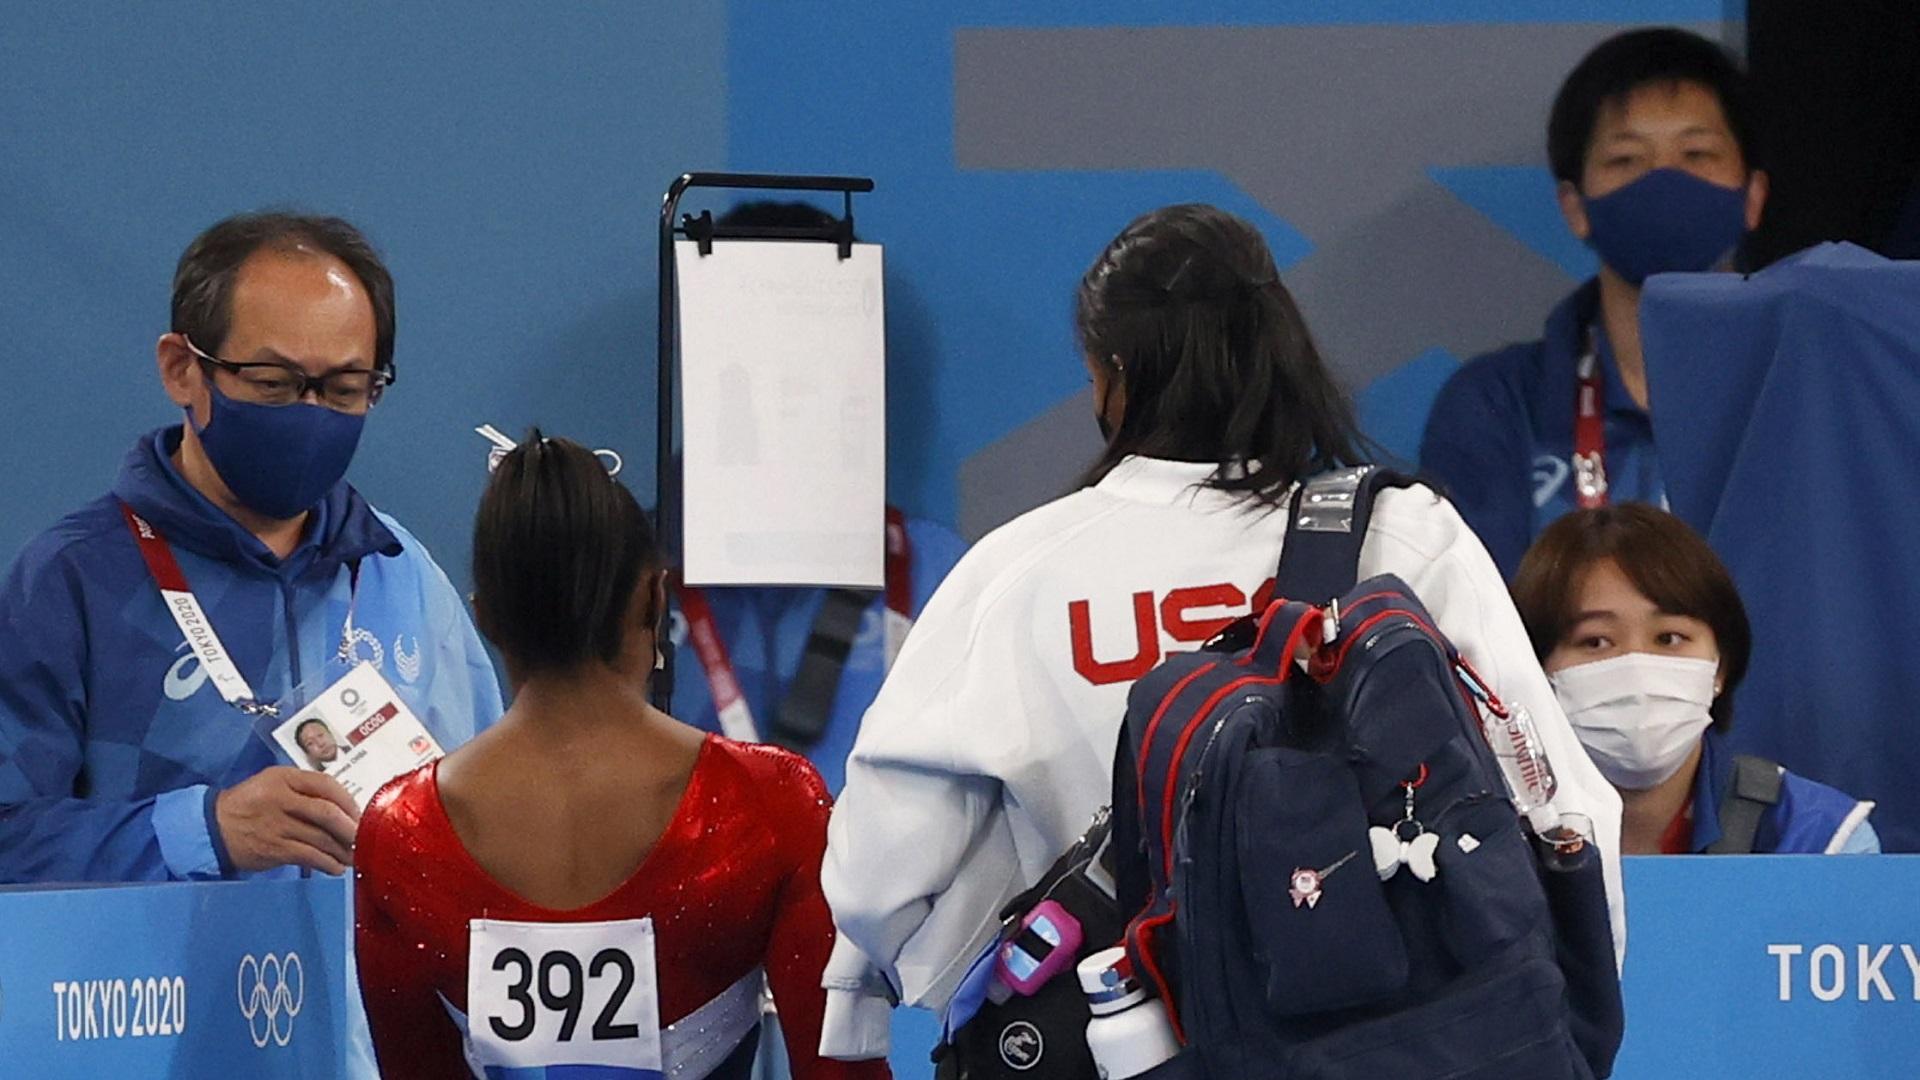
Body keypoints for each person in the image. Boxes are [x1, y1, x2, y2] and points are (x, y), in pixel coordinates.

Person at [819, 204, 1623, 1028]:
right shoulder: (1405, 537)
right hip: (1390, 1044)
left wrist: (966, 965)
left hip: (1111, 1037)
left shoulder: (1015, 575)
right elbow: (1561, 806)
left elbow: (876, 877)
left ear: (1114, 374)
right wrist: (1573, 1029)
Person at [355, 433, 889, 1080]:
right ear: (653, 599)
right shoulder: (772, 801)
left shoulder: (398, 832)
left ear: (485, 618)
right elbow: (841, 1068)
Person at [0, 210, 500, 885]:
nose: (311, 414)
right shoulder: (71, 581)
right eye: (273, 383)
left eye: (346, 389)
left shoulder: (399, 571)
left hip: (367, 957)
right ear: (182, 369)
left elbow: (486, 827)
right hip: (157, 957)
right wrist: (202, 832)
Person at [1420, 28, 1769, 578]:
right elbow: (1478, 616)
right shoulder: (1498, 406)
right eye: (1626, 159)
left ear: (1753, 195)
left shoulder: (1808, 393)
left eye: (1697, 153)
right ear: (1575, 207)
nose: (1663, 183)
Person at [668, 201, 967, 791]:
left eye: (808, 357)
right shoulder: (626, 584)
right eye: (752, 353)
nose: (785, 391)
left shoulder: (943, 576)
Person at [1511, 503, 1878, 854]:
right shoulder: (1493, 841)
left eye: (1669, 638)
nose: (1637, 666)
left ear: (1720, 666)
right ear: (1538, 669)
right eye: (1596, 642)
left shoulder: (1818, 838)